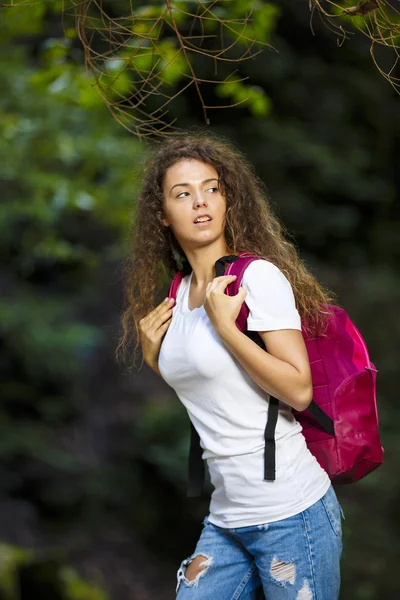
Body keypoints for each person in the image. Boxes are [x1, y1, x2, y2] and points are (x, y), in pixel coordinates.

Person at [118, 132, 344, 600]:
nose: (200, 202)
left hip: (292, 512)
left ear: (226, 199)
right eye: (183, 194)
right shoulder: (178, 295)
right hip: (226, 520)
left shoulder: (256, 278)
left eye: (211, 188)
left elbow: (298, 390)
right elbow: (213, 388)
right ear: (162, 214)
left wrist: (228, 330)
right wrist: (153, 357)